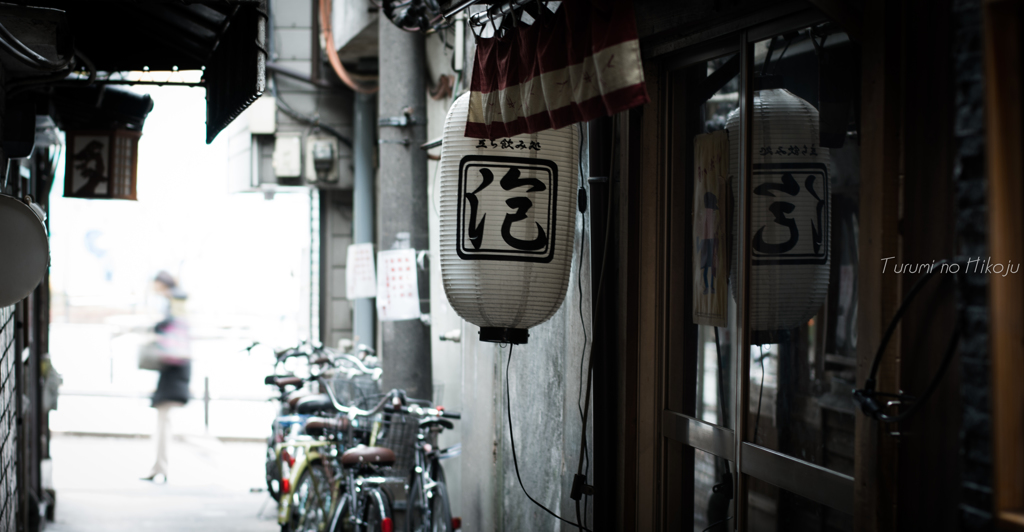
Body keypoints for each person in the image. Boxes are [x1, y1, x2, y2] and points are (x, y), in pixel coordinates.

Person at [142, 271, 192, 483]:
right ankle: (159, 467)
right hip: (175, 369)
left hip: (175, 370)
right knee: (165, 420)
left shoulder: (176, 300)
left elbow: (176, 329)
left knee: (166, 420)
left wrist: (158, 327)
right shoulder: (175, 300)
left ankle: (160, 467)